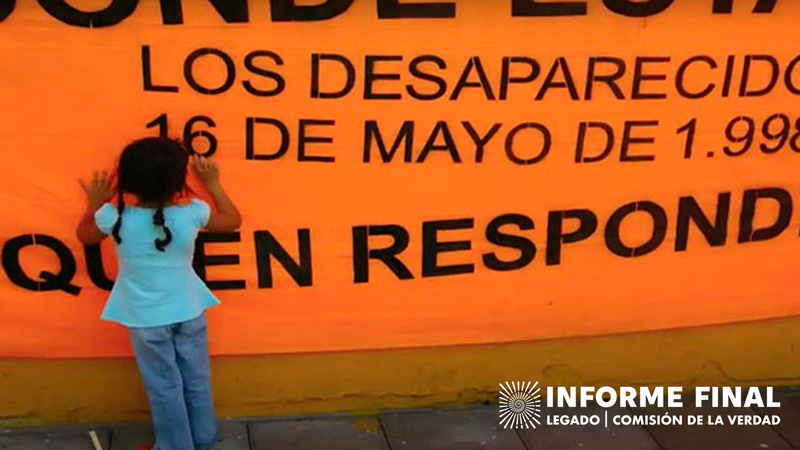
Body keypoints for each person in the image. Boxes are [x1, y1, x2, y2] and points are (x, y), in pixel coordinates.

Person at [76, 137, 242, 450]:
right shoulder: (193, 212)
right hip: (190, 309)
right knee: (197, 379)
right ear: (180, 180)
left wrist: (95, 202)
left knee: (164, 386)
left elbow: (85, 236)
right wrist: (214, 183)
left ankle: (175, 446)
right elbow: (232, 220)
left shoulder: (114, 217)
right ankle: (203, 440)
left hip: (146, 319)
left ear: (125, 180)